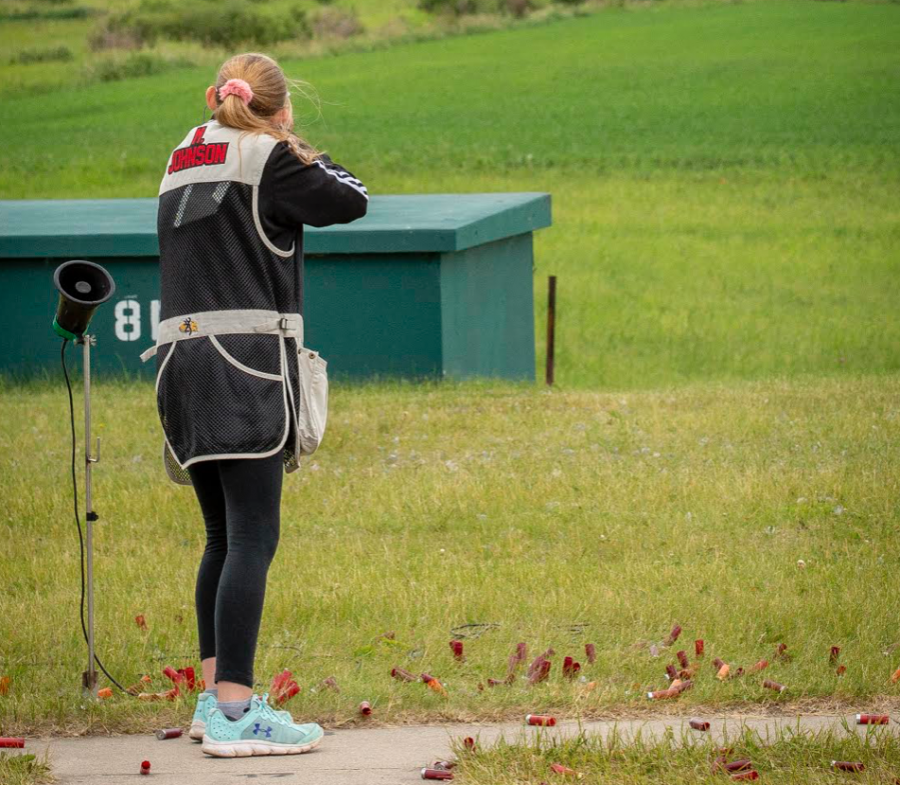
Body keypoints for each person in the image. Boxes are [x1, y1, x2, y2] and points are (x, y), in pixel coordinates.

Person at [142, 52, 367, 758]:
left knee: (221, 537)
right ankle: (238, 711)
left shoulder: (183, 154)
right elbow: (351, 195)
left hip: (182, 368)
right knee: (253, 539)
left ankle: (214, 699)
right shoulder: (270, 157)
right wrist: (290, 139)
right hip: (246, 369)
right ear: (279, 105)